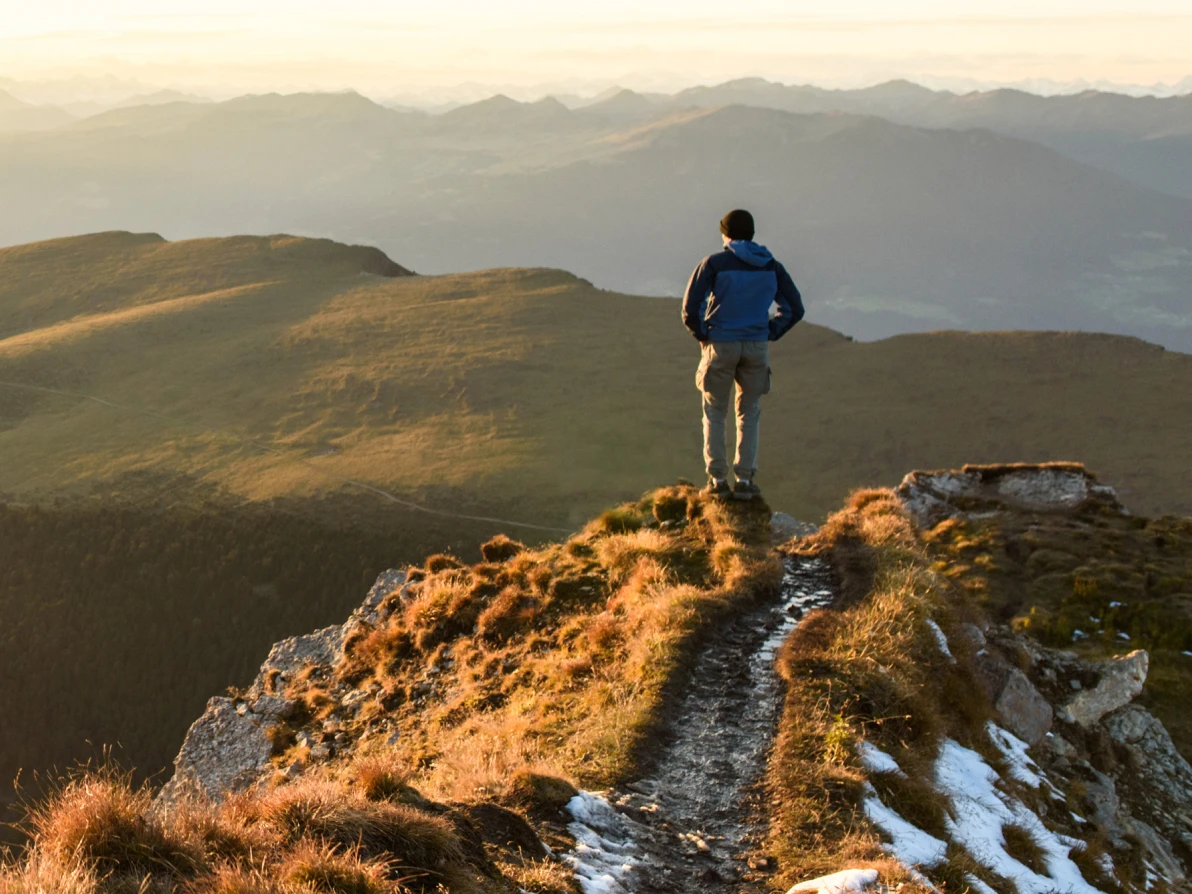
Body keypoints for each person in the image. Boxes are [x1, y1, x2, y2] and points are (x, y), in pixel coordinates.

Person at [682, 209, 804, 501]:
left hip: (721, 344)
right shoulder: (771, 266)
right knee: (749, 412)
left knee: (714, 410)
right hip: (756, 346)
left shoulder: (714, 263)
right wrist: (768, 332)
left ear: (725, 234)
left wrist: (704, 335)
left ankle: (718, 480)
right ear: (751, 234)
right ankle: (746, 482)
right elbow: (794, 309)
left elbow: (691, 308)